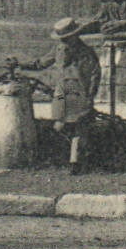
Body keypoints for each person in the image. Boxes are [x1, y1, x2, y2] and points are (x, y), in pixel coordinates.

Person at [22, 16, 103, 175]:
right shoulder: (58, 49)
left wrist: (90, 95)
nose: (64, 41)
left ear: (74, 36)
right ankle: (77, 154)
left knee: (78, 126)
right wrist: (21, 64)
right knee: (59, 126)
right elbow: (41, 63)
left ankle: (75, 162)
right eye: (62, 38)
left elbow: (95, 73)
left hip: (79, 92)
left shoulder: (86, 52)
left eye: (66, 38)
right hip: (61, 92)